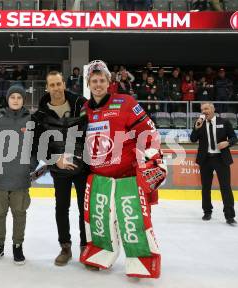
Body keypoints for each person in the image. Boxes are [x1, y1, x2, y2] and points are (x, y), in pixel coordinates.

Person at [80, 60, 166, 278]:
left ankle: (141, 261)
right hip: (99, 178)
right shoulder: (85, 109)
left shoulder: (126, 102)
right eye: (94, 81)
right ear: (88, 84)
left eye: (101, 80)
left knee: (132, 221)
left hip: (127, 177)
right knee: (99, 223)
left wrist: (154, 159)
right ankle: (100, 254)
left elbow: (148, 132)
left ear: (109, 82)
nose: (98, 84)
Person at [31, 71, 88, 266]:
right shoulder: (39, 114)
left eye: (58, 84)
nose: (55, 88)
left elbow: (90, 135)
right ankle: (65, 247)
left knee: (84, 208)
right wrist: (56, 160)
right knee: (62, 207)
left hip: (83, 167)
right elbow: (37, 145)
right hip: (59, 168)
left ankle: (86, 247)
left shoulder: (82, 105)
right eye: (52, 85)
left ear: (64, 84)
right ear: (47, 87)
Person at [0, 85, 37, 265]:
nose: (15, 100)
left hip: (21, 178)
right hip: (0, 178)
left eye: (19, 97)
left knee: (20, 213)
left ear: (23, 100)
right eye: (12, 96)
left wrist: (31, 164)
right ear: (7, 99)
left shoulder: (31, 120)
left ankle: (18, 246)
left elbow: (38, 146)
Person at [190, 102, 238, 225]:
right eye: (202, 109)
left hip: (221, 158)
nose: (204, 111)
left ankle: (229, 216)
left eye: (206, 108)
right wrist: (196, 128)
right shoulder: (199, 123)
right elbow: (193, 139)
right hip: (205, 159)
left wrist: (227, 143)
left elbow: (234, 138)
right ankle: (207, 211)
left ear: (213, 109)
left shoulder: (224, 122)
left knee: (225, 187)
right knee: (206, 187)